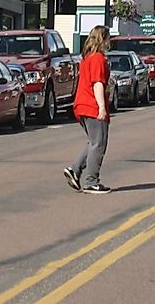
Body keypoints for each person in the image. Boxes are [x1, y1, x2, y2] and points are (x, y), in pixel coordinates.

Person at [65, 25, 112, 194]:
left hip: (82, 104)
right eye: (108, 38)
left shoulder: (87, 58)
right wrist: (101, 107)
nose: (109, 42)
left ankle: (75, 169)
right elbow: (97, 84)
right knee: (99, 143)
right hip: (92, 105)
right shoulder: (98, 58)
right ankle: (91, 181)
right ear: (103, 39)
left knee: (93, 142)